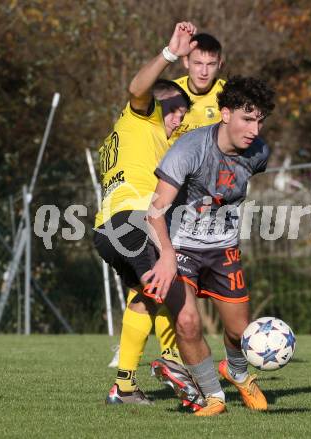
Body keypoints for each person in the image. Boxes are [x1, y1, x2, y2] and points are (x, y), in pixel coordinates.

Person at [145, 76, 276, 416]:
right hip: (180, 247)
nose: (254, 129)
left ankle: (237, 372)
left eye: (260, 120)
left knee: (239, 332)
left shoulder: (259, 153)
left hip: (223, 248)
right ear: (226, 113)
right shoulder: (190, 149)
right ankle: (214, 397)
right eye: (248, 119)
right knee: (187, 323)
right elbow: (154, 211)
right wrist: (168, 256)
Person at [93, 21, 203, 406]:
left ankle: (123, 385)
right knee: (172, 287)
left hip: (108, 228)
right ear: (159, 105)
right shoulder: (141, 116)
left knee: (146, 295)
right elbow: (138, 88)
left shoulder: (140, 138)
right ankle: (175, 365)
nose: (179, 119)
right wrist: (171, 54)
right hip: (132, 219)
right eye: (175, 111)